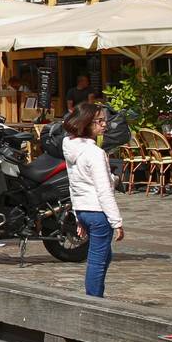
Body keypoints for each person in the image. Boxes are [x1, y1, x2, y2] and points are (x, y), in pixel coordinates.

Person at [63, 103, 123, 297]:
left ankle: (96, 294)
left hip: (84, 209)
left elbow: (74, 184)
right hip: (97, 211)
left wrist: (77, 214)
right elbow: (104, 191)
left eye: (105, 120)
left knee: (104, 254)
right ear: (87, 123)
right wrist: (117, 222)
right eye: (100, 121)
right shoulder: (95, 153)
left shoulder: (71, 147)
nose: (105, 125)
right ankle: (94, 300)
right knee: (97, 259)